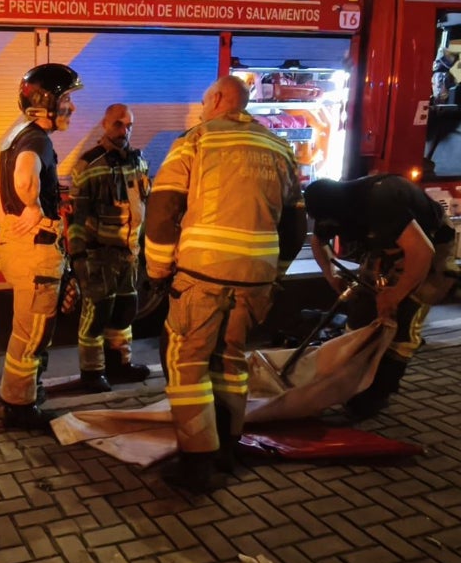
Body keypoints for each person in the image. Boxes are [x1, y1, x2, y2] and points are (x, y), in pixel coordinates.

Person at [145, 75, 305, 492]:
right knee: (232, 362)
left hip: (202, 276)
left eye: (203, 103)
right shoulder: (278, 147)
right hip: (256, 281)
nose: (200, 111)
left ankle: (196, 462)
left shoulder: (196, 141)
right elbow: (295, 225)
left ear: (217, 99)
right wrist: (276, 270)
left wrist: (157, 270)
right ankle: (228, 450)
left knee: (188, 362)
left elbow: (162, 208)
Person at [305, 174, 456, 418]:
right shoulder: (332, 206)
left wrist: (395, 294)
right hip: (390, 246)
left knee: (404, 319)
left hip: (431, 244)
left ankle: (378, 393)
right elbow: (317, 242)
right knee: (361, 312)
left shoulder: (382, 201)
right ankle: (352, 383)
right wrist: (331, 274)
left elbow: (422, 252)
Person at [0, 63, 82, 431]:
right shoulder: (37, 142)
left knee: (28, 329)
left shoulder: (16, 136)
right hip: (37, 253)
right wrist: (31, 204)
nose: (71, 108)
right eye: (66, 100)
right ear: (44, 102)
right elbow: (24, 178)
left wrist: (13, 219)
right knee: (32, 334)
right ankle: (19, 406)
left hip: (20, 247)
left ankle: (26, 391)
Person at [68, 104, 152, 391]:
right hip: (99, 256)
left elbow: (144, 206)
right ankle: (92, 374)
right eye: (118, 124)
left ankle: (120, 366)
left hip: (129, 255)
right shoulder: (88, 166)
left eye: (129, 125)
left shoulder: (138, 161)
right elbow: (76, 220)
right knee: (96, 315)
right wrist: (79, 259)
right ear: (104, 124)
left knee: (125, 312)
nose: (124, 131)